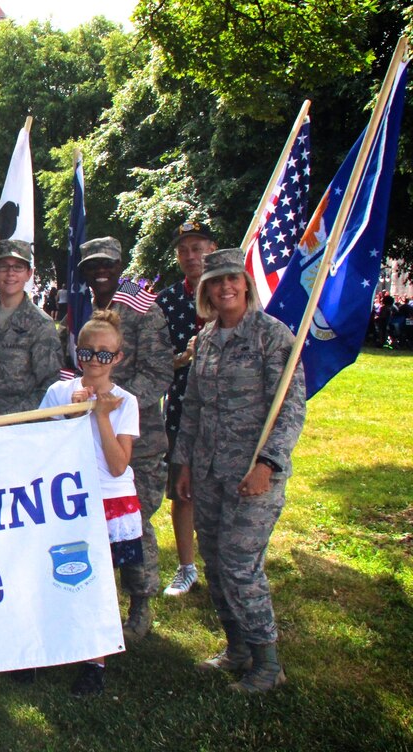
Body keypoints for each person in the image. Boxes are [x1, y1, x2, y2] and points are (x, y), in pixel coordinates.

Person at [173, 248, 306, 694]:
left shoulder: (273, 336)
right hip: (209, 471)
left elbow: (289, 409)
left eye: (233, 279)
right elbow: (191, 406)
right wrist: (185, 463)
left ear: (246, 283)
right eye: (216, 282)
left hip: (253, 474)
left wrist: (269, 465)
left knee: (239, 564)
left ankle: (268, 663)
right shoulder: (207, 338)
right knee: (214, 560)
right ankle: (237, 649)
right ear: (205, 290)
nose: (225, 287)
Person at [40, 309, 142, 696]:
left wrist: (99, 415)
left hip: (110, 500)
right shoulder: (57, 393)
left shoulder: (126, 402)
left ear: (117, 357)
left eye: (104, 354)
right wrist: (71, 414)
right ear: (75, 352)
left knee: (100, 581)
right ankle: (56, 644)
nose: (94, 361)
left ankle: (95, 661)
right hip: (67, 497)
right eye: (87, 352)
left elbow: (118, 465)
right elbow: (43, 451)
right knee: (61, 568)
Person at [79, 236, 173, 643]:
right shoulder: (84, 308)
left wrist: (113, 397)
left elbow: (160, 371)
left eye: (108, 265)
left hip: (139, 440)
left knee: (134, 522)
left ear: (119, 266)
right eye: (93, 266)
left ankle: (140, 603)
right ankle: (97, 601)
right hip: (89, 440)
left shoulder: (142, 310)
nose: (101, 272)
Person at [157, 220, 217, 597]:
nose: (191, 256)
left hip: (228, 413)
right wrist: (183, 357)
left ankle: (226, 568)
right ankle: (186, 567)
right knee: (183, 489)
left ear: (212, 248)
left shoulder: (232, 293)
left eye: (198, 248)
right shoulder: (167, 301)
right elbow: (157, 359)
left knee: (227, 491)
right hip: (181, 406)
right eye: (184, 250)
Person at [0, 240, 62, 418]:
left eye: (18, 267)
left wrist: (9, 418)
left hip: (18, 428)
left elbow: (50, 385)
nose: (10, 273)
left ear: (29, 274)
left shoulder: (41, 324)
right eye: (3, 266)